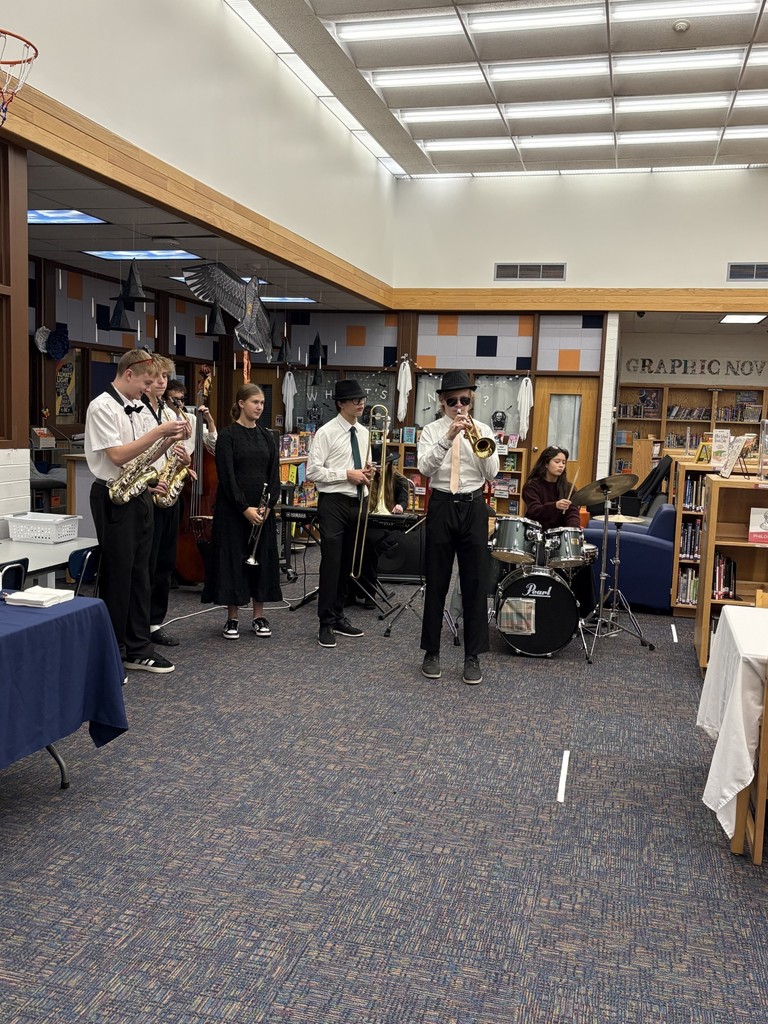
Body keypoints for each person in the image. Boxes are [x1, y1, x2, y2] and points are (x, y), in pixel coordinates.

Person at [84, 348, 190, 674]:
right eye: (145, 382)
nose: (147, 389)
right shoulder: (101, 406)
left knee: (141, 574)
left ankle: (138, 647)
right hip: (112, 493)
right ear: (128, 374)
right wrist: (160, 431)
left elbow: (147, 455)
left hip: (139, 491)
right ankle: (113, 651)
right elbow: (117, 456)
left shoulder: (140, 408)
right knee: (118, 575)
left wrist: (171, 441)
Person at [417, 369, 500, 685]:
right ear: (442, 402)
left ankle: (472, 656)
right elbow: (425, 468)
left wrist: (475, 440)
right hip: (441, 504)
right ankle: (431, 652)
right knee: (436, 580)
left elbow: (492, 472)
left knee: (475, 583)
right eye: (452, 401)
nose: (459, 406)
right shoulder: (431, 431)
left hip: (473, 505)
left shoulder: (483, 430)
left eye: (464, 400)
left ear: (471, 400)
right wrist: (449, 437)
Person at [204, 383, 282, 639]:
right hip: (233, 511)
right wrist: (244, 507)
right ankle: (233, 618)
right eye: (254, 402)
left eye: (262, 403)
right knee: (232, 560)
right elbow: (226, 476)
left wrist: (268, 506)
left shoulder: (267, 436)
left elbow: (273, 474)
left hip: (262, 511)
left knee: (261, 560)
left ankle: (258, 616)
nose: (259, 407)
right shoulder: (228, 436)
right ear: (241, 403)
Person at [306, 379, 371, 649]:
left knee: (348, 563)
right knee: (331, 562)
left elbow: (362, 466)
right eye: (355, 400)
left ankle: (339, 615)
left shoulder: (364, 432)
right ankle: (325, 622)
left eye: (362, 399)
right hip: (333, 502)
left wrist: (367, 472)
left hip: (358, 501)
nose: (361, 403)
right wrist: (346, 474)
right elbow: (312, 471)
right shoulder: (326, 432)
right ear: (341, 404)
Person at [141, 366, 193, 648]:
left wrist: (184, 460)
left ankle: (155, 622)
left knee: (164, 563)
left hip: (169, 490)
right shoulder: (137, 411)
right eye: (157, 377)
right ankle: (138, 626)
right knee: (146, 565)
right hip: (147, 490)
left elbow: (176, 452)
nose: (162, 382)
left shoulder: (170, 413)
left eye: (165, 377)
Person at [522, 445, 595, 615]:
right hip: (538, 539)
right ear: (546, 463)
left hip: (560, 539)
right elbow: (534, 511)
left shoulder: (568, 488)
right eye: (557, 461)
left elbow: (572, 513)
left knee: (583, 563)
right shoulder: (532, 486)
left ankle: (586, 614)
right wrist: (554, 505)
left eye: (564, 462)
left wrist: (573, 533)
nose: (561, 465)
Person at [347, 452, 410, 608]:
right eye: (376, 466)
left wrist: (400, 506)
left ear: (389, 464)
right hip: (369, 525)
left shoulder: (399, 480)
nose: (379, 469)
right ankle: (352, 590)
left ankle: (369, 591)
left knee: (370, 548)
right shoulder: (366, 478)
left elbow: (403, 500)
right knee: (354, 545)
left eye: (382, 465)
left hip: (391, 527)